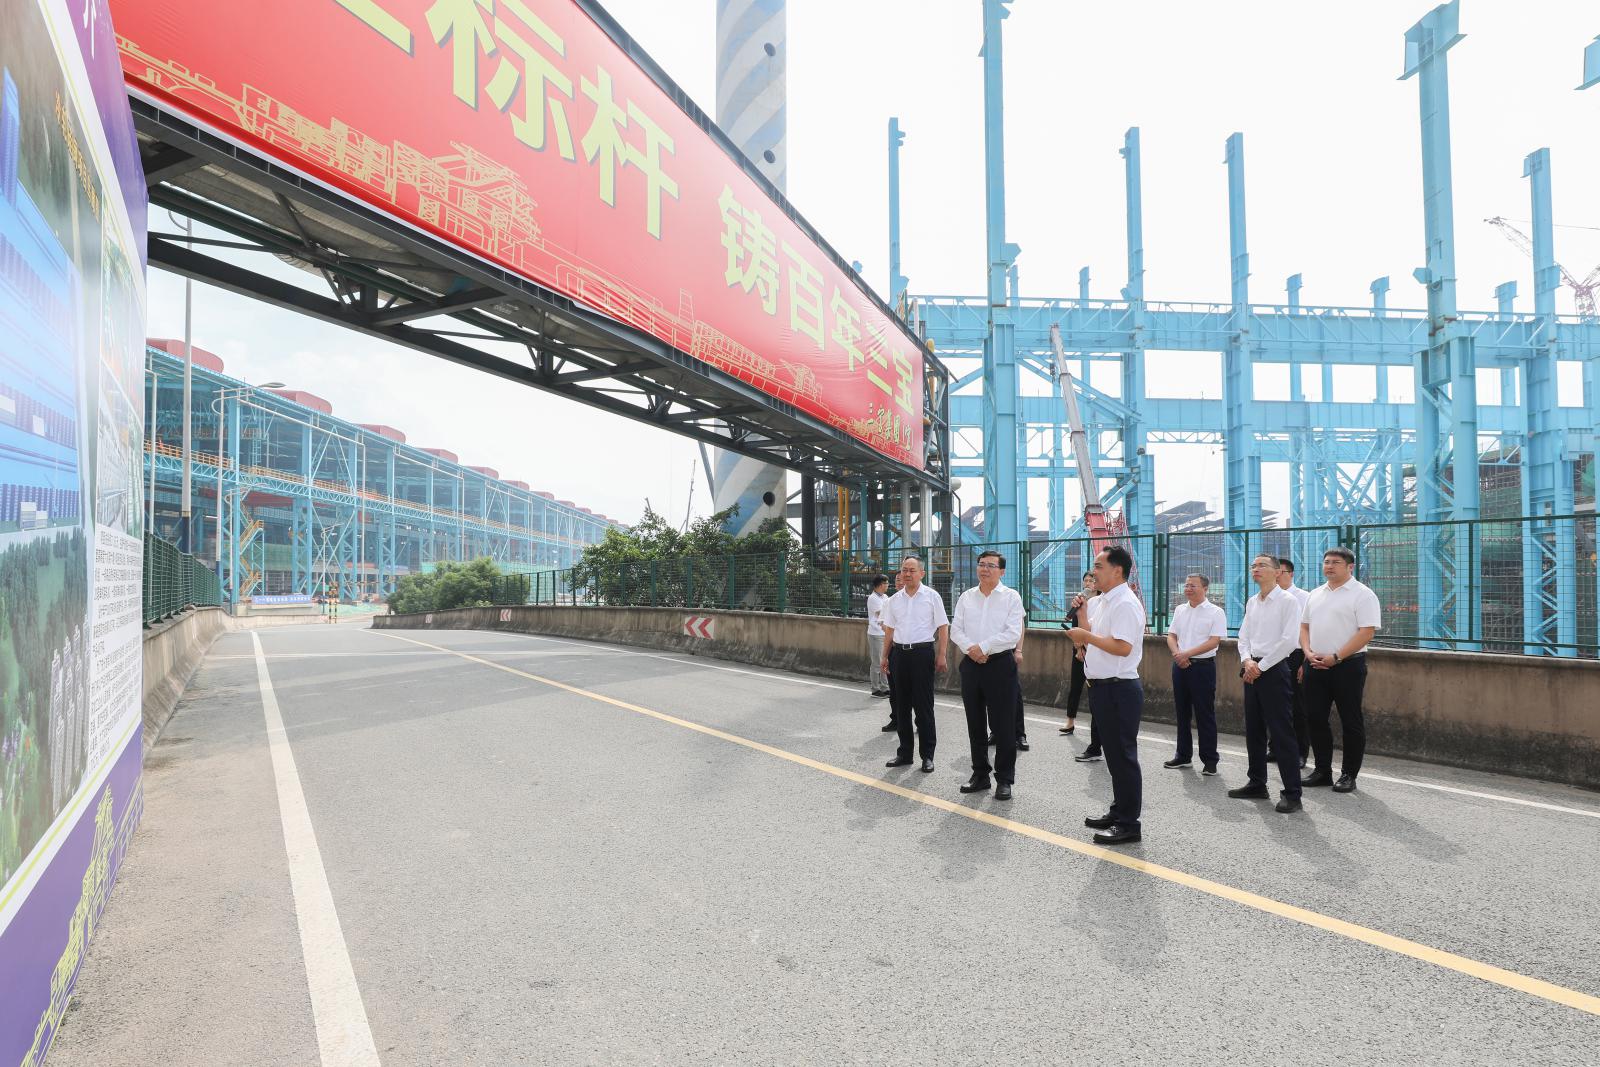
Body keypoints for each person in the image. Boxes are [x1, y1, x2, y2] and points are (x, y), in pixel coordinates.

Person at [1066, 546, 1146, 846]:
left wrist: (1085, 637)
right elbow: (1095, 635)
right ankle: (1118, 811)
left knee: (1123, 757)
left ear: (1117, 571)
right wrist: (1082, 617)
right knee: (1114, 757)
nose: (1094, 572)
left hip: (1119, 689)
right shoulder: (1100, 601)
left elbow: (1122, 647)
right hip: (1101, 687)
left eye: (1099, 566)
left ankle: (1129, 824)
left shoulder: (1125, 603)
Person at [1300, 546, 1381, 793]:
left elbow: (1366, 632)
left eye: (1335, 562)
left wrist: (1336, 657)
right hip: (1315, 664)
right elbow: (1304, 627)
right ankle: (1322, 770)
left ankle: (1348, 774)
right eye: (1326, 562)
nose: (1329, 566)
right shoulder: (1315, 594)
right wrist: (1307, 653)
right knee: (1315, 719)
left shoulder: (1363, 595)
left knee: (1350, 721)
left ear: (1350, 567)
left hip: (1348, 666)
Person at [1226, 555, 1303, 813]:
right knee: (1254, 729)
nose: (1256, 569)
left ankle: (1292, 793)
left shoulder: (1288, 601)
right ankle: (1257, 782)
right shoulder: (1252, 601)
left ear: (1278, 572)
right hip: (1252, 668)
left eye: (1262, 565)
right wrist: (1247, 661)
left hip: (1273, 669)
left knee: (1281, 732)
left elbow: (1289, 641)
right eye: (1253, 566)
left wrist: (1261, 666)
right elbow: (1244, 636)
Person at [951, 550, 1025, 799]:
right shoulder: (966, 597)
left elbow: (1013, 633)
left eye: (991, 565)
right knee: (975, 723)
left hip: (1000, 665)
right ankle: (980, 774)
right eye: (981, 564)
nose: (984, 569)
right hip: (971, 665)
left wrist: (982, 648)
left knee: (1003, 725)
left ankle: (1004, 779)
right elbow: (955, 630)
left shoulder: (1011, 597)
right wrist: (972, 651)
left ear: (1002, 571)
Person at [880, 556, 949, 774]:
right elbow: (890, 630)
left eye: (911, 570)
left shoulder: (932, 596)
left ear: (922, 573)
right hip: (899, 654)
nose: (907, 574)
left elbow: (943, 627)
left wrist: (942, 655)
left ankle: (927, 756)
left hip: (922, 653)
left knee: (923, 706)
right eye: (904, 570)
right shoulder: (894, 600)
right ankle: (904, 753)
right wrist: (884, 656)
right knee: (901, 706)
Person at [1163, 572, 1226, 774]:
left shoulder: (1216, 612)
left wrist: (1186, 654)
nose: (1188, 589)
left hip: (1202, 667)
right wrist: (1177, 654)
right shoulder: (1180, 609)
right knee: (1181, 712)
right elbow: (1171, 635)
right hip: (1180, 666)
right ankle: (1183, 756)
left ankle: (1210, 760)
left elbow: (1214, 641)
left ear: (1205, 588)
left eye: (1193, 585)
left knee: (1204, 714)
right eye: (1186, 585)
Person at [1275, 558, 1312, 767]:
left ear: (1291, 574)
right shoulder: (1265, 597)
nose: (1276, 576)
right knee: (1273, 704)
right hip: (1272, 654)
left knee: (1298, 706)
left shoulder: (1305, 598)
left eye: (1280, 572)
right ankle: (1276, 747)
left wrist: (1305, 661)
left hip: (1296, 654)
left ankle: (1300, 752)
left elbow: (1311, 630)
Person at [1060, 572, 1097, 739]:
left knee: (1095, 690)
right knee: (1075, 686)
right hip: (1079, 650)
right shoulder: (1079, 601)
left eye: (1091, 580)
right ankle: (1070, 721)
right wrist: (1078, 648)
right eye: (1085, 581)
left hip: (1096, 650)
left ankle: (1097, 727)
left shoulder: (1101, 603)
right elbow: (1075, 626)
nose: (1088, 583)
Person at [879, 571, 906, 732]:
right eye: (897, 580)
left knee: (917, 690)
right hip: (894, 648)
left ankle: (920, 722)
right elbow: (883, 624)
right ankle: (896, 720)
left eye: (902, 579)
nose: (900, 582)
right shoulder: (890, 601)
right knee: (894, 688)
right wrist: (894, 632)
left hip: (914, 650)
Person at [866, 574, 890, 698]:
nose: (888, 585)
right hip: (876, 634)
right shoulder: (873, 598)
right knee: (877, 662)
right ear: (880, 585)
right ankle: (875, 689)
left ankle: (885, 688)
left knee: (885, 661)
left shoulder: (885, 597)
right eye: (886, 583)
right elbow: (882, 615)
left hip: (884, 633)